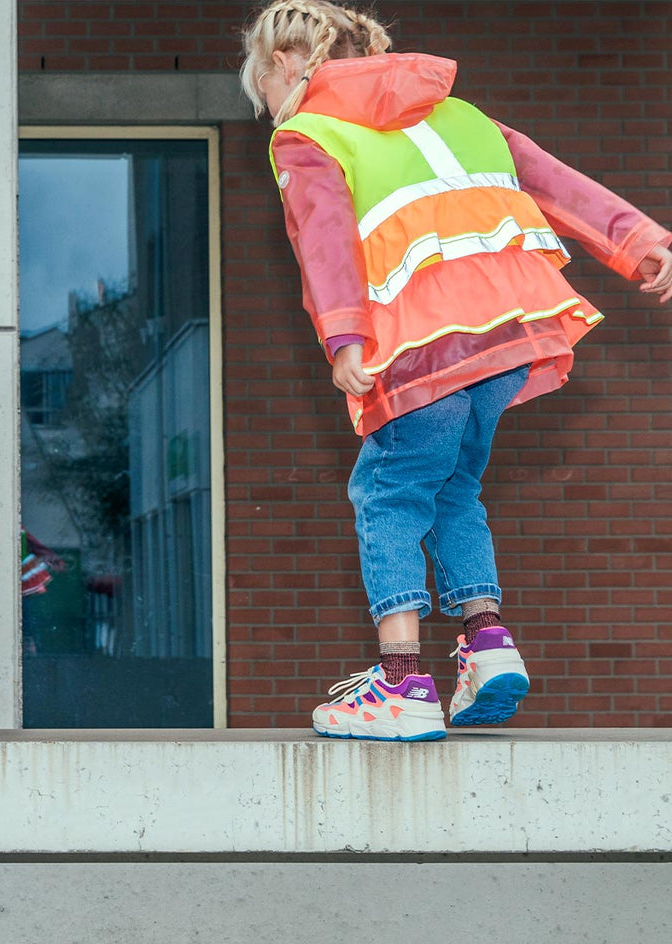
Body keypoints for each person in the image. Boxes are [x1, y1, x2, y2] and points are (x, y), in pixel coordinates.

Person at [240, 0, 672, 741]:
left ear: (285, 63)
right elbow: (553, 182)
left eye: (261, 88)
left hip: (417, 343)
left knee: (387, 492)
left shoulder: (306, 133)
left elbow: (326, 240)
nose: (266, 106)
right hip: (509, 333)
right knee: (453, 489)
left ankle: (403, 684)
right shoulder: (462, 115)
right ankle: (486, 641)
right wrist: (635, 238)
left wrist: (344, 335)